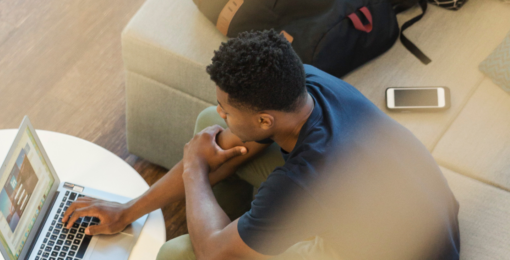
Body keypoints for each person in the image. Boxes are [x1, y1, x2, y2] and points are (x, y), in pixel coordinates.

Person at [62, 29, 460, 260]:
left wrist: (195, 170)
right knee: (207, 130)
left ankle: (249, 228)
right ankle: (249, 223)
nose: (221, 112)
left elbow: (214, 251)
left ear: (266, 119)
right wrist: (127, 210)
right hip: (424, 212)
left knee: (177, 254)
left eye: (227, 107)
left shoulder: (304, 179)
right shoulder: (303, 82)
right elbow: (223, 136)